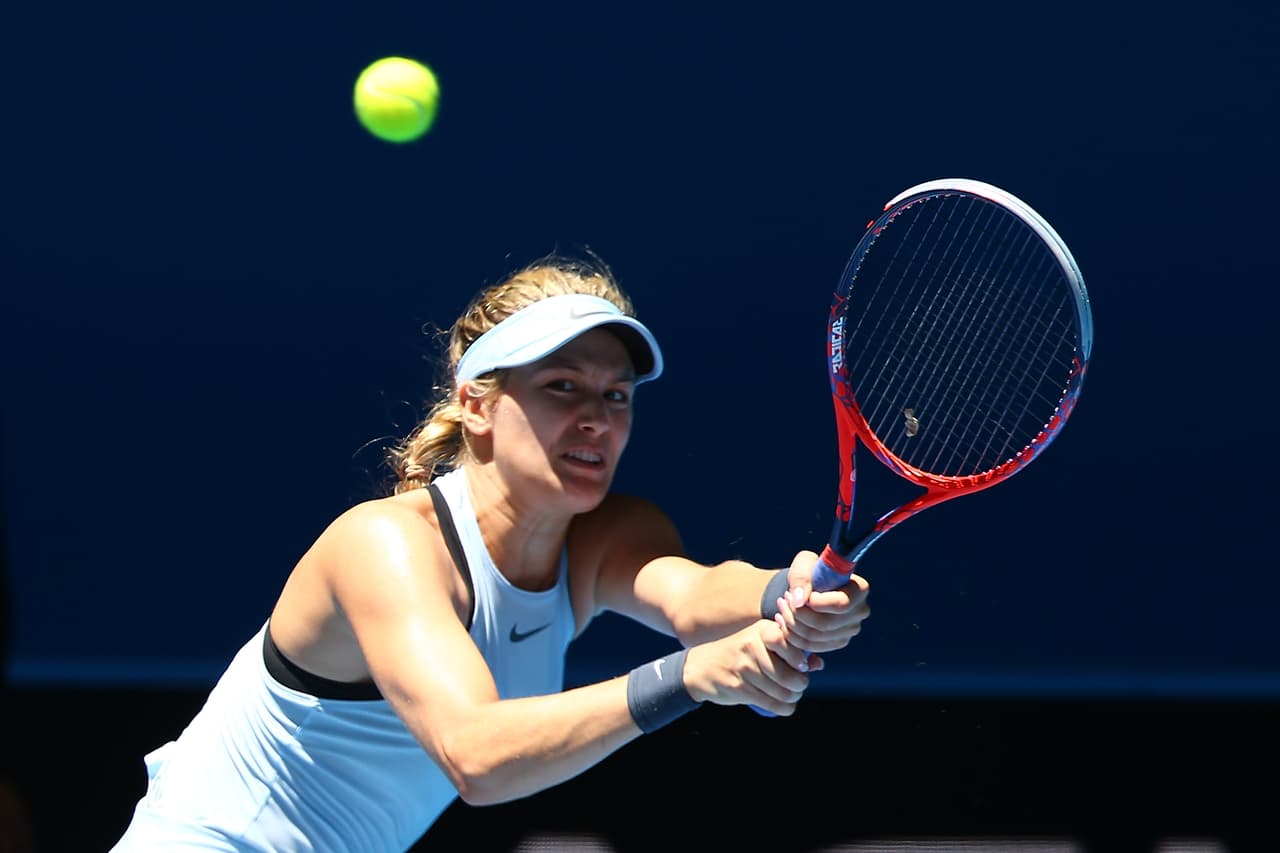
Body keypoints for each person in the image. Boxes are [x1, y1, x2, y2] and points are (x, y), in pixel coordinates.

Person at [110, 253, 872, 852]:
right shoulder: (387, 544)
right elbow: (474, 754)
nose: (596, 419)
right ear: (477, 403)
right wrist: (690, 675)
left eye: (616, 396)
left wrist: (786, 589)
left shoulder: (605, 532)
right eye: (562, 386)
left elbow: (695, 595)